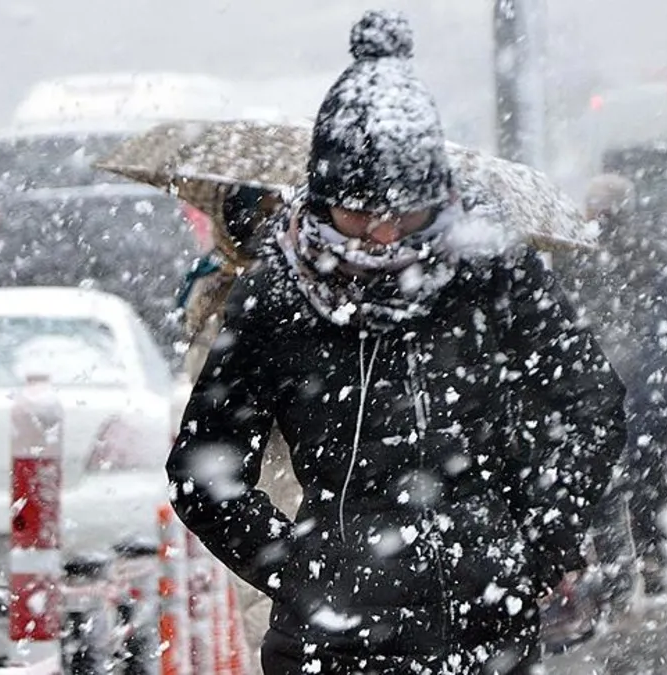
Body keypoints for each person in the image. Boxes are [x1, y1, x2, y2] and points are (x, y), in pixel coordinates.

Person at [166, 10, 627, 674]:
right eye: (359, 213)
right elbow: (201, 471)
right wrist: (299, 570)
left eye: (403, 214)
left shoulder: (491, 272)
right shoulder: (278, 295)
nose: (382, 238)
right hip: (334, 643)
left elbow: (591, 400)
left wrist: (544, 535)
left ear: (438, 196)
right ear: (322, 200)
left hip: (486, 626)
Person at [175, 183, 302, 675]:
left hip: (298, 470)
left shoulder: (285, 287)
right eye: (255, 221)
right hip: (263, 477)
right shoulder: (220, 288)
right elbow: (207, 386)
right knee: (268, 613)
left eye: (275, 219)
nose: (264, 232)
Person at [569, 174, 667, 614]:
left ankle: (616, 576)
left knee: (607, 480)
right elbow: (666, 305)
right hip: (643, 375)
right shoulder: (650, 245)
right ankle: (651, 555)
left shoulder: (577, 249)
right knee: (646, 471)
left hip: (596, 377)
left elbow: (570, 306)